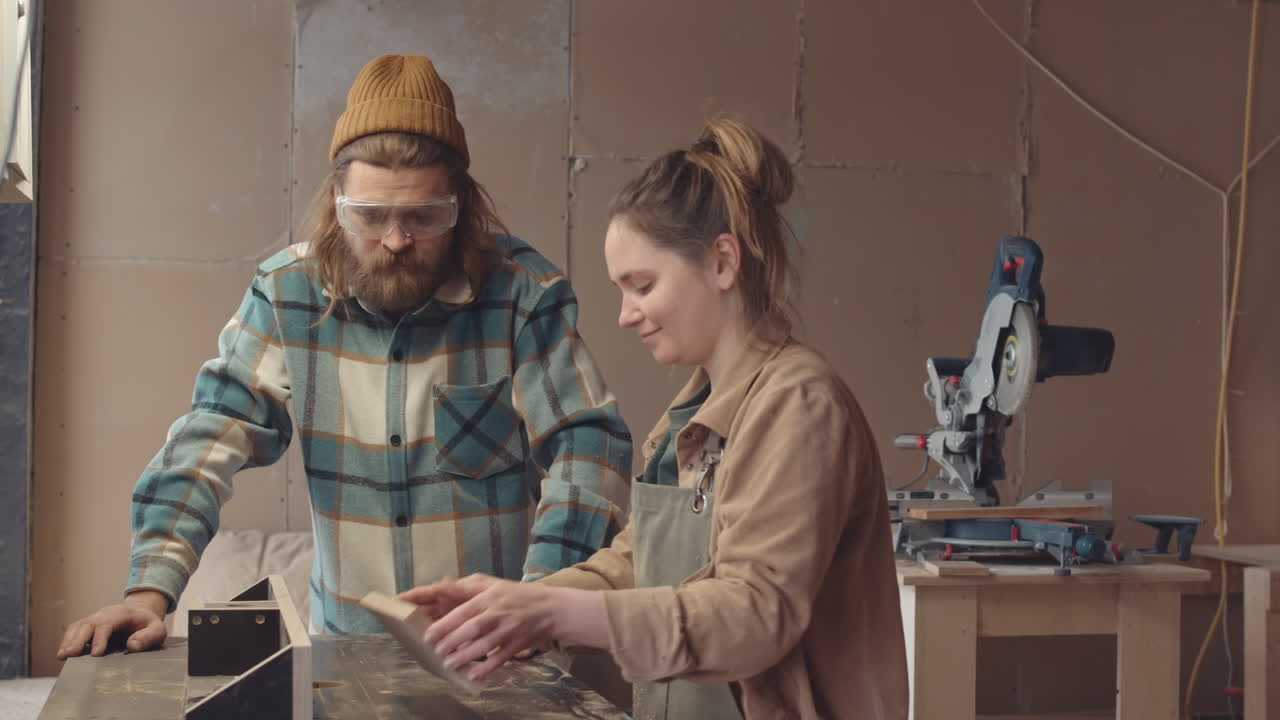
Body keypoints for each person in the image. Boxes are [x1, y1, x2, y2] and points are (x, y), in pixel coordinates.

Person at [56, 54, 632, 659]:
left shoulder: (522, 294)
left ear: (461, 204)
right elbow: (208, 438)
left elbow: (587, 446)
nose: (396, 240)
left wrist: (541, 600)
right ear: (336, 200)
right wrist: (150, 592)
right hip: (345, 654)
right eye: (371, 216)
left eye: (424, 216)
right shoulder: (284, 294)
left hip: (498, 653)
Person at [400, 119, 909, 719]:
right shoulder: (690, 417)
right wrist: (517, 607)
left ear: (722, 261)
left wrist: (554, 613)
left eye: (641, 285)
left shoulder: (798, 405)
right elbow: (642, 563)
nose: (625, 314)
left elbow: (755, 614)